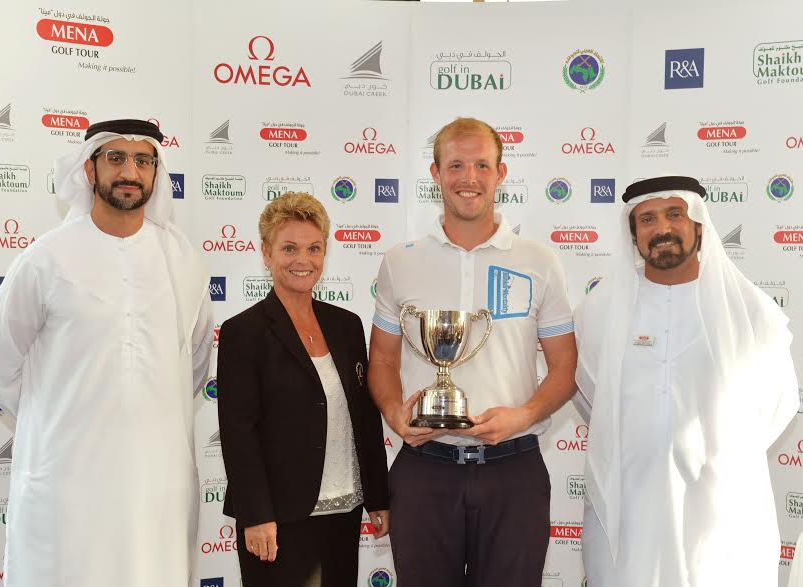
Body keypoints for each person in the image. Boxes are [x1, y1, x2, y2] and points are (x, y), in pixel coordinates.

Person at [0, 119, 213, 586]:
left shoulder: (183, 263)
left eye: (143, 160)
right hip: (67, 484)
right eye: (116, 158)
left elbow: (195, 364)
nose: (130, 171)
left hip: (155, 483)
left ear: (156, 174)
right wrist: (60, 421)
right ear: (89, 169)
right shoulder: (46, 258)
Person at [368, 117, 577, 587]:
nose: (469, 177)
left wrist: (523, 416)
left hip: (514, 471)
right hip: (425, 470)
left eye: (482, 165)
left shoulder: (538, 260)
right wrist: (393, 413)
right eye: (456, 164)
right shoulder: (400, 261)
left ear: (501, 174)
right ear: (435, 173)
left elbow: (564, 369)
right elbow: (381, 360)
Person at [573, 176, 799, 586]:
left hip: (720, 499)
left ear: (698, 225)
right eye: (647, 219)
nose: (661, 229)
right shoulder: (599, 309)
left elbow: (778, 401)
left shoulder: (748, 309)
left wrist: (717, 452)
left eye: (675, 214)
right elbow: (591, 392)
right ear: (633, 234)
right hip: (629, 496)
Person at [217, 192, 390, 587]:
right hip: (277, 519)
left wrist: (379, 497)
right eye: (289, 248)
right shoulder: (243, 332)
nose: (303, 260)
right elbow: (238, 433)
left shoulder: (346, 326)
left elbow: (363, 418)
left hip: (343, 509)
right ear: (266, 253)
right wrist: (256, 514)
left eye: (314, 248)